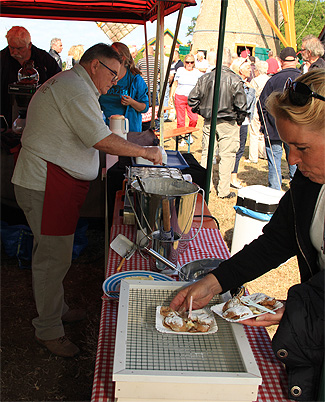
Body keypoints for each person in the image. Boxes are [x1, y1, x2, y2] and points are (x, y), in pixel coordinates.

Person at [171, 69, 325, 402]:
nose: (292, 160)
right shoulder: (309, 182)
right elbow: (275, 242)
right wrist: (214, 282)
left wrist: (296, 309)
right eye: (287, 147)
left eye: (301, 147)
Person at [11, 43, 162, 358]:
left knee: (54, 254)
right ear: (95, 65)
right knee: (53, 257)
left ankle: (56, 308)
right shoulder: (75, 90)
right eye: (112, 75)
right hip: (47, 184)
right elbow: (101, 139)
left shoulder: (74, 84)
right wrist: (146, 151)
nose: (115, 83)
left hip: (55, 182)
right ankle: (49, 329)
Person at [188, 47, 247, 198]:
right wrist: (239, 120)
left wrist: (204, 112)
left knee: (207, 154)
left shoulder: (205, 78)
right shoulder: (234, 79)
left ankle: (203, 186)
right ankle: (223, 190)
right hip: (228, 121)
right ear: (230, 61)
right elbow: (242, 104)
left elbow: (192, 99)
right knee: (227, 156)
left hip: (211, 120)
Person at [258, 47, 300, 190]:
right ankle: (294, 187)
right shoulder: (303, 78)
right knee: (295, 160)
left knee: (276, 162)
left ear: (281, 62)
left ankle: (275, 190)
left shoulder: (273, 80)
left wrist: (266, 125)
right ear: (295, 61)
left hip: (275, 128)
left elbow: (261, 104)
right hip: (295, 130)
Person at [1, 26, 61, 126]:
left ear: (29, 45)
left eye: (20, 48)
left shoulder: (44, 59)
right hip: (6, 117)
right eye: (11, 47)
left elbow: (59, 83)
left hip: (40, 114)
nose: (15, 52)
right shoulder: (2, 59)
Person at [99, 42, 149, 133]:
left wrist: (131, 102)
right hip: (104, 129)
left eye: (112, 54)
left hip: (128, 131)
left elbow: (145, 107)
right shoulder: (103, 77)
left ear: (122, 58)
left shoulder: (135, 80)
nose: (108, 56)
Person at [229, 58, 255, 189]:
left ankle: (231, 174)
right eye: (247, 68)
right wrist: (251, 91)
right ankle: (232, 176)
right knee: (237, 149)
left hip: (239, 120)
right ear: (240, 69)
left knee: (236, 149)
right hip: (240, 121)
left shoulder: (240, 83)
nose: (250, 70)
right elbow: (246, 106)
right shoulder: (242, 85)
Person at [170, 53, 202, 133]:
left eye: (191, 62)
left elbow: (201, 85)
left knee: (194, 118)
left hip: (192, 98)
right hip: (180, 97)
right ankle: (180, 136)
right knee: (180, 121)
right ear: (184, 62)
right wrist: (170, 96)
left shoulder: (197, 72)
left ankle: (188, 133)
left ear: (194, 63)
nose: (189, 64)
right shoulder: (180, 70)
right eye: (187, 62)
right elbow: (175, 84)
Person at [246, 60, 269, 163]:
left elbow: (252, 95)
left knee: (254, 133)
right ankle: (264, 153)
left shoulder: (255, 81)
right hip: (267, 108)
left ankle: (253, 157)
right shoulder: (270, 80)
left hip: (256, 107)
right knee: (263, 133)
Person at [136, 45, 160, 130]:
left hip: (143, 89)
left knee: (144, 107)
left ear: (145, 53)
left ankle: (145, 125)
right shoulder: (157, 61)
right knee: (155, 108)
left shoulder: (141, 61)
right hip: (153, 88)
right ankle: (156, 126)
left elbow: (136, 72)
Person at [168, 49, 183, 121]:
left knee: (175, 102)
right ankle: (174, 115)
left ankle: (175, 116)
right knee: (172, 101)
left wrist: (170, 83)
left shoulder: (180, 65)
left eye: (173, 55)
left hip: (176, 85)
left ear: (177, 55)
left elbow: (173, 76)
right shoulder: (172, 63)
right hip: (172, 85)